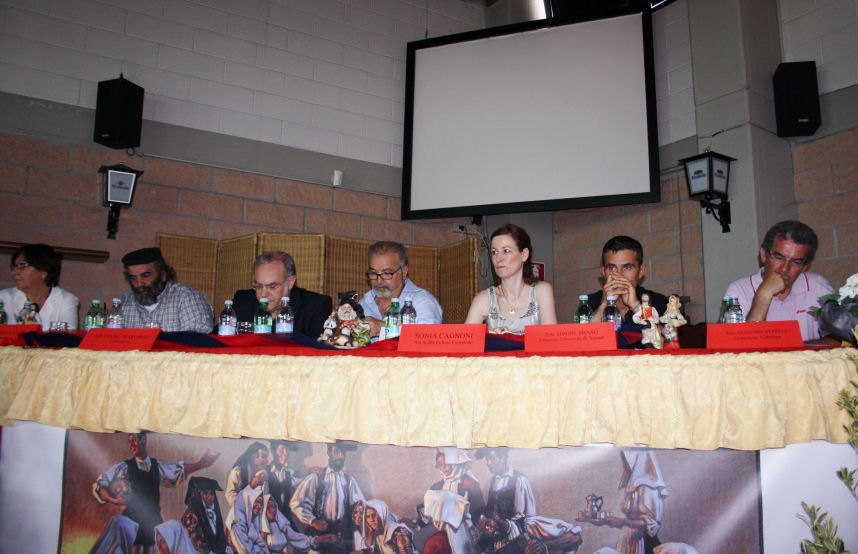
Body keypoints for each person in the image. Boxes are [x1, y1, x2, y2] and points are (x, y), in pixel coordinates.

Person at [93, 432, 219, 552]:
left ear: (143, 440)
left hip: (152, 518)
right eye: (129, 442)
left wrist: (201, 464)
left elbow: (177, 471)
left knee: (153, 549)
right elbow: (102, 482)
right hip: (132, 519)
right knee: (133, 549)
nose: (131, 445)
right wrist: (113, 499)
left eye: (134, 441)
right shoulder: (125, 466)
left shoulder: (156, 465)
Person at [724, 220, 835, 341]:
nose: (785, 268)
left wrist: (799, 351)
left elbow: (840, 339)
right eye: (779, 257)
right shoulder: (739, 290)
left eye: (796, 262)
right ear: (764, 255)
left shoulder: (818, 286)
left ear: (805, 267)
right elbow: (738, 346)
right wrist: (764, 294)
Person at [477, 447, 581, 553]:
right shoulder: (490, 484)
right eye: (487, 460)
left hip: (517, 530)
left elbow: (528, 515)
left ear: (503, 458)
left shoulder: (519, 481)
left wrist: (542, 545)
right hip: (503, 537)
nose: (488, 463)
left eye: (492, 459)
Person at [465, 224, 557, 334]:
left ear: (524, 254)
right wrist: (488, 336)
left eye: (506, 251)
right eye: (494, 252)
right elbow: (465, 345)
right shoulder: (484, 299)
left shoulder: (541, 291)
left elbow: (552, 341)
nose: (498, 258)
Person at [588, 236, 669, 347]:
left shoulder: (657, 301)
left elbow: (663, 346)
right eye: (612, 268)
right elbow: (583, 344)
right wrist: (604, 304)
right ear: (603, 272)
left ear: (641, 271)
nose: (620, 275)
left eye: (627, 268)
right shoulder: (592, 302)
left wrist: (636, 306)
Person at [232, 251, 332, 337]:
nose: (263, 294)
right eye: (258, 286)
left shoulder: (315, 306)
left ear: (290, 282)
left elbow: (317, 352)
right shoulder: (242, 300)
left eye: (272, 286)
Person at [289, 441, 365, 554]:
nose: (340, 455)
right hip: (319, 539)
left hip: (341, 539)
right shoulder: (316, 477)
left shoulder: (349, 481)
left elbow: (362, 506)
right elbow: (295, 503)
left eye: (343, 452)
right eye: (336, 451)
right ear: (329, 452)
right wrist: (313, 521)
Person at [588, 450, 668, 554]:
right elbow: (631, 522)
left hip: (642, 543)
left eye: (626, 462)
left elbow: (650, 525)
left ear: (637, 462)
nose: (624, 466)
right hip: (628, 540)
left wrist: (622, 521)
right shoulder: (633, 486)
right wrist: (606, 521)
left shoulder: (647, 488)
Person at [359, 241, 443, 338]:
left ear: (403, 273)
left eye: (386, 273)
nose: (379, 280)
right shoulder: (364, 303)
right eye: (373, 273)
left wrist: (384, 328)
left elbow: (429, 337)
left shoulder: (422, 301)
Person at [120, 247, 214, 332]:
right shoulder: (124, 303)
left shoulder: (187, 298)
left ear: (163, 275)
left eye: (145, 276)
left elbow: (197, 342)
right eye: (133, 278)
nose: (139, 284)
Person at [0, 243, 79, 330]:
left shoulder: (66, 300)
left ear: (44, 272)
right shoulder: (4, 298)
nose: (14, 272)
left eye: (23, 265)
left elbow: (68, 338)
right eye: (14, 267)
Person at [181, 476, 231, 554]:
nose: (209, 497)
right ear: (196, 494)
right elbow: (195, 543)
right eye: (205, 493)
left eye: (211, 493)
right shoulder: (190, 517)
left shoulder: (212, 514)